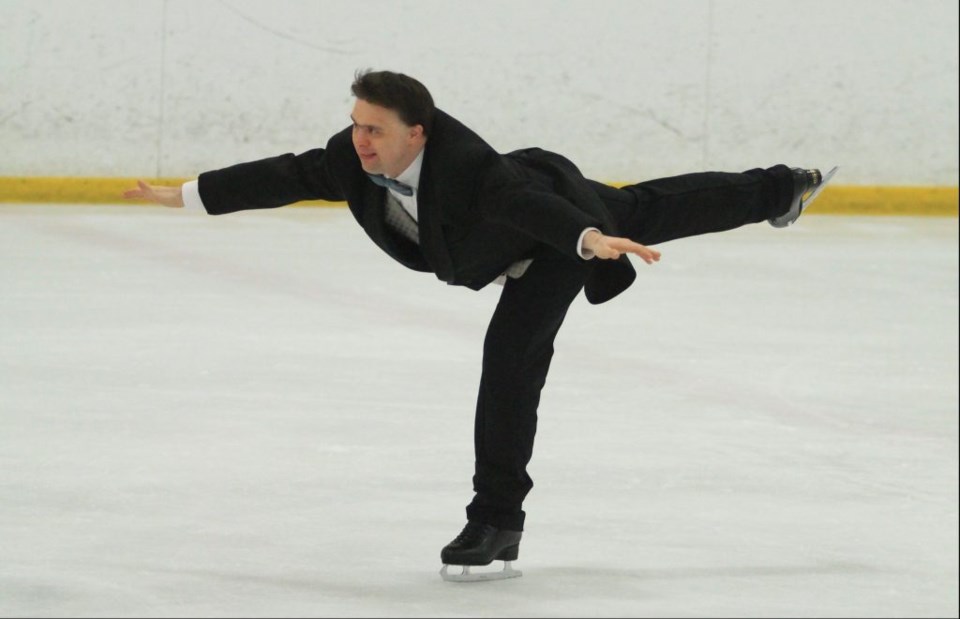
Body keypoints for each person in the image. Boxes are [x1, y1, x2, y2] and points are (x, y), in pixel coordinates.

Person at [125, 69, 827, 581]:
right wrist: (184, 196)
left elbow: (525, 206)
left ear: (417, 133)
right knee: (644, 207)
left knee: (511, 363)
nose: (360, 140)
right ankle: (781, 186)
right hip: (543, 210)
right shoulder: (351, 156)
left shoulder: (471, 170)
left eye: (375, 130)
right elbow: (286, 174)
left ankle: (496, 520)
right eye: (356, 123)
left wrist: (585, 240)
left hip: (547, 240)